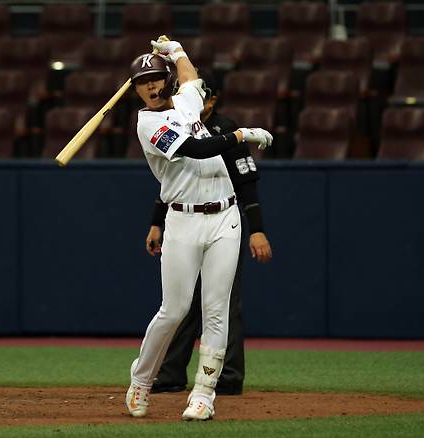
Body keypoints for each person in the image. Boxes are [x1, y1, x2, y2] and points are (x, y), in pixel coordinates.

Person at [125, 38, 273, 422]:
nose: (152, 87)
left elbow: (190, 76)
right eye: (143, 82)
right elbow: (197, 149)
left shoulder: (188, 99)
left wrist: (175, 50)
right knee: (173, 310)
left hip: (226, 216)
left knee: (216, 312)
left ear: (166, 79)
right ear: (136, 89)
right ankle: (141, 379)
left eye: (157, 78)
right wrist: (242, 135)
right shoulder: (148, 123)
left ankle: (204, 394)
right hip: (183, 219)